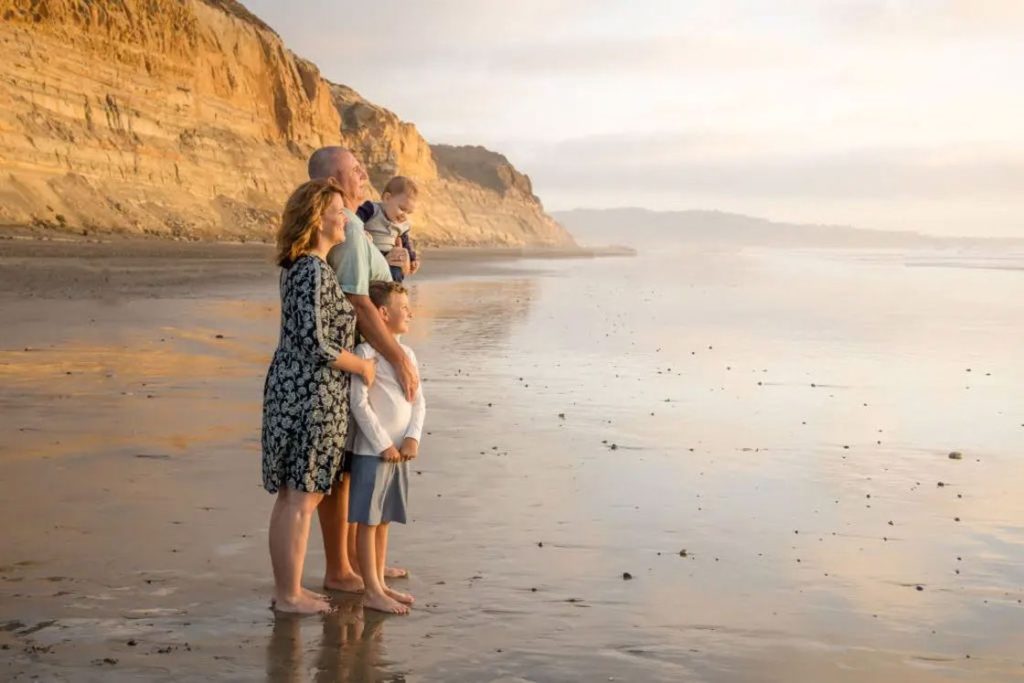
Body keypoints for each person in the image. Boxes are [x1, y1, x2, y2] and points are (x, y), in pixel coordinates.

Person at [261, 178, 377, 614]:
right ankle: (288, 594)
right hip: (307, 394)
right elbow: (317, 344)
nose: (345, 217)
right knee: (300, 496)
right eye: (338, 209)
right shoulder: (310, 269)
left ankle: (289, 589)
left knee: (298, 495)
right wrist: (363, 366)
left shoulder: (310, 267)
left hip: (304, 391)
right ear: (317, 218)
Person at [307, 147, 419, 589]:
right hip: (354, 362)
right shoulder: (351, 230)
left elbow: (372, 291)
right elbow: (358, 302)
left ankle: (362, 561)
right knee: (345, 472)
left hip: (362, 360)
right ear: (335, 179)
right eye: (355, 169)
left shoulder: (358, 228)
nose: (365, 174)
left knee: (356, 468)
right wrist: (398, 358)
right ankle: (341, 568)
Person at [349, 281, 425, 614]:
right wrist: (382, 445)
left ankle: (380, 582)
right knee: (368, 521)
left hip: (399, 453)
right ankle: (371, 590)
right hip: (373, 452)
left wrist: (412, 437)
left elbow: (419, 401)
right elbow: (358, 403)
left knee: (384, 522)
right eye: (403, 308)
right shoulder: (365, 354)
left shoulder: (407, 354)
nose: (410, 313)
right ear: (382, 313)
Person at [356, 176, 421, 283]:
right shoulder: (373, 209)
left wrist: (412, 258)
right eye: (402, 209)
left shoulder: (402, 225)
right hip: (371, 252)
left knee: (396, 272)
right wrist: (361, 231)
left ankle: (394, 290)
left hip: (390, 256)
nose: (404, 216)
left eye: (408, 213)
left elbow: (405, 242)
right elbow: (356, 217)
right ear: (387, 198)